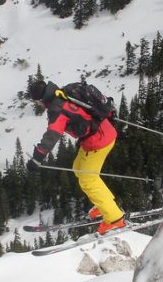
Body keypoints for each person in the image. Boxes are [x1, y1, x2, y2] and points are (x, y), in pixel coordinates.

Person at [26, 79, 126, 235]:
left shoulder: (56, 108)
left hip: (98, 141)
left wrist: (37, 157)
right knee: (78, 168)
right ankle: (105, 205)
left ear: (40, 99)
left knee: (88, 179)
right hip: (101, 132)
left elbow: (53, 134)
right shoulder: (64, 91)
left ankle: (115, 219)